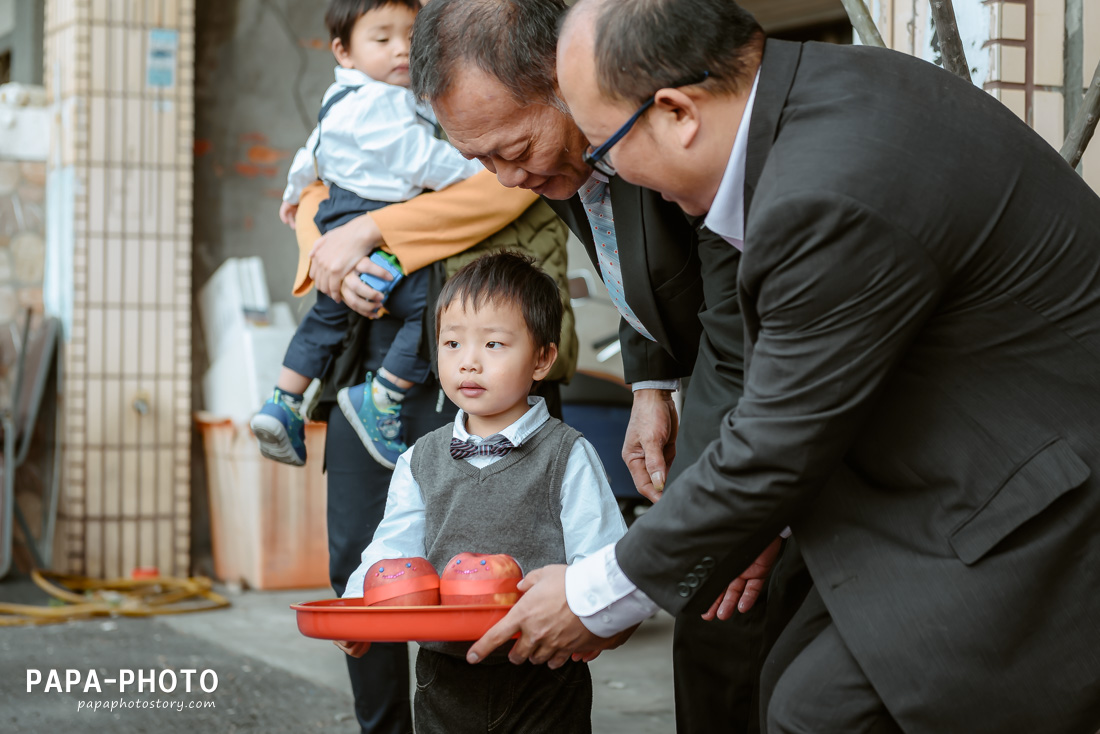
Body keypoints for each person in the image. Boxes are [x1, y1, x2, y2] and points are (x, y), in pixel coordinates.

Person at [468, 0, 1100, 732]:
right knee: (791, 696)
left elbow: (776, 439)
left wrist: (596, 594)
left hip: (1039, 498)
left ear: (677, 113)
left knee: (819, 715)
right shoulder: (821, 100)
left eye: (605, 149)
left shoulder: (826, 192)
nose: (605, 173)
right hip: (954, 463)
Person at [406, 1, 780, 731]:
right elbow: (634, 266)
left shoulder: (664, 146)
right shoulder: (559, 161)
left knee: (732, 629)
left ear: (568, 78)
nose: (505, 179)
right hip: (717, 386)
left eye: (513, 149)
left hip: (759, 394)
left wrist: (611, 593)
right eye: (480, 160)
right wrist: (651, 385)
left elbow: (733, 316)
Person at [336, 251, 627, 733]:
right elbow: (392, 551)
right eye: (452, 343)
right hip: (444, 676)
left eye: (493, 344)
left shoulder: (567, 454)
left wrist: (599, 621)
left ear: (542, 358)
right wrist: (355, 608)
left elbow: (600, 554)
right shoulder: (420, 459)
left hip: (544, 673)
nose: (468, 362)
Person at [251, 0, 482, 470]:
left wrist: (293, 195)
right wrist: (478, 167)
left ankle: (282, 402)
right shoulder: (387, 102)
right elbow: (419, 160)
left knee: (326, 316)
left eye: (410, 38)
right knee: (429, 308)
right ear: (344, 51)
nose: (400, 50)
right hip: (382, 223)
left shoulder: (338, 98)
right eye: (382, 39)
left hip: (338, 215)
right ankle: (383, 396)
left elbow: (310, 155)